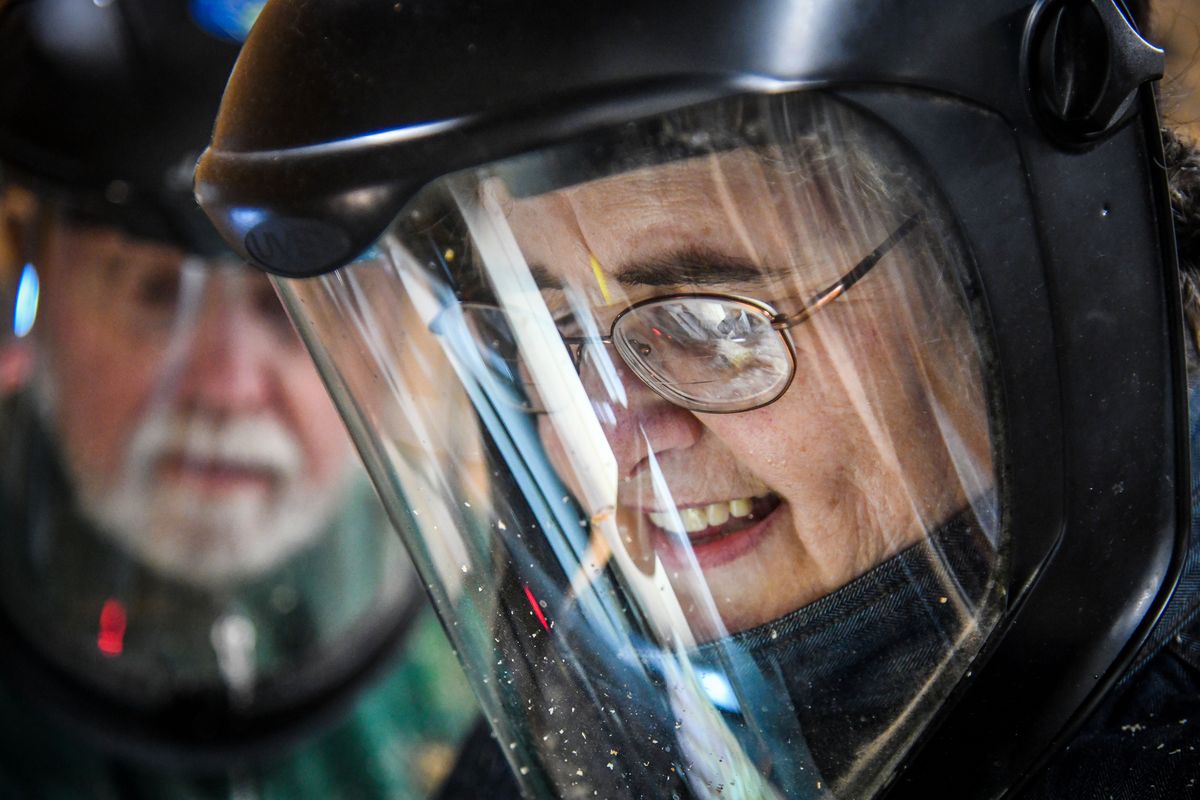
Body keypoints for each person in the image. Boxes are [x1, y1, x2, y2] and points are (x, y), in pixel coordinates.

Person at [193, 0, 1200, 796]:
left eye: (714, 323)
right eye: (538, 339)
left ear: (1017, 291)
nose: (606, 428)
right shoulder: (601, 709)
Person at [0, 1, 475, 797]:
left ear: (403, 344)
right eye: (153, 292)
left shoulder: (495, 696)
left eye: (298, 309)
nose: (225, 390)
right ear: (28, 303)